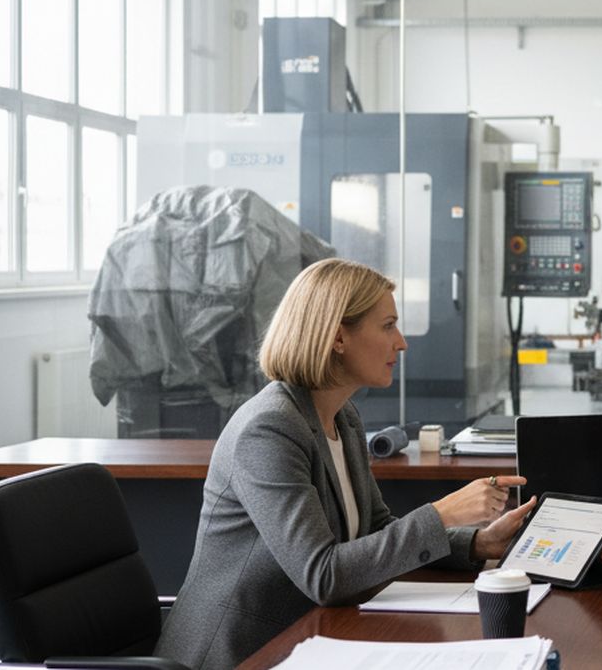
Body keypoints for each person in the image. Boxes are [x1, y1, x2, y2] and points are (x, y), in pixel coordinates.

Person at [157, 259, 536, 670]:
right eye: (388, 326)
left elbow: (374, 531)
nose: (402, 342)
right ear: (338, 338)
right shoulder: (268, 430)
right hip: (239, 653)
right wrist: (442, 514)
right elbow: (324, 575)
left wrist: (478, 544)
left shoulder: (342, 416)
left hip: (310, 637)